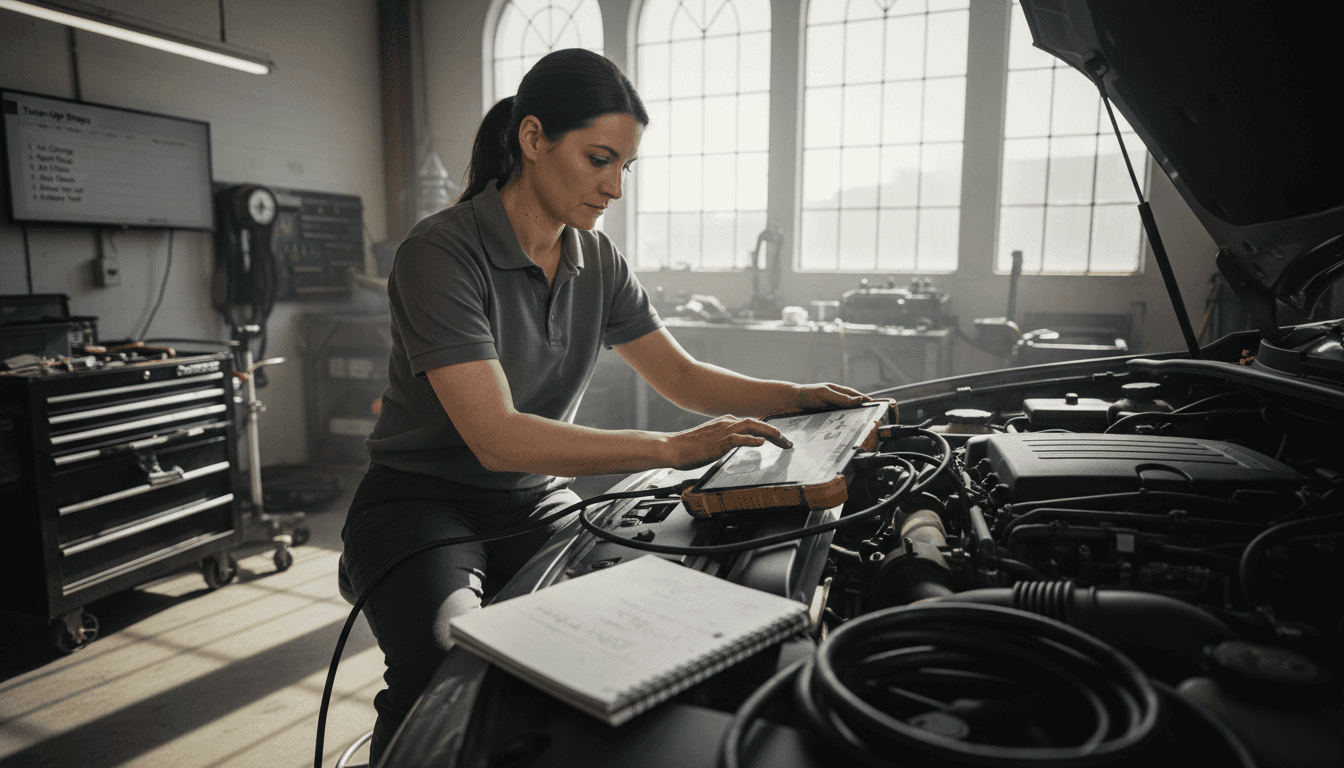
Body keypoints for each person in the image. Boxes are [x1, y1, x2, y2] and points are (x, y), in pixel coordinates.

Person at [338, 48, 869, 762]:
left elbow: (682, 378)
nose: (615, 188)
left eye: (626, 166)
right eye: (599, 160)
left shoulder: (598, 258)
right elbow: (496, 437)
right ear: (532, 140)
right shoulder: (440, 253)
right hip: (420, 503)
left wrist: (795, 399)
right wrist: (671, 450)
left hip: (533, 503)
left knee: (613, 647)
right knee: (450, 669)